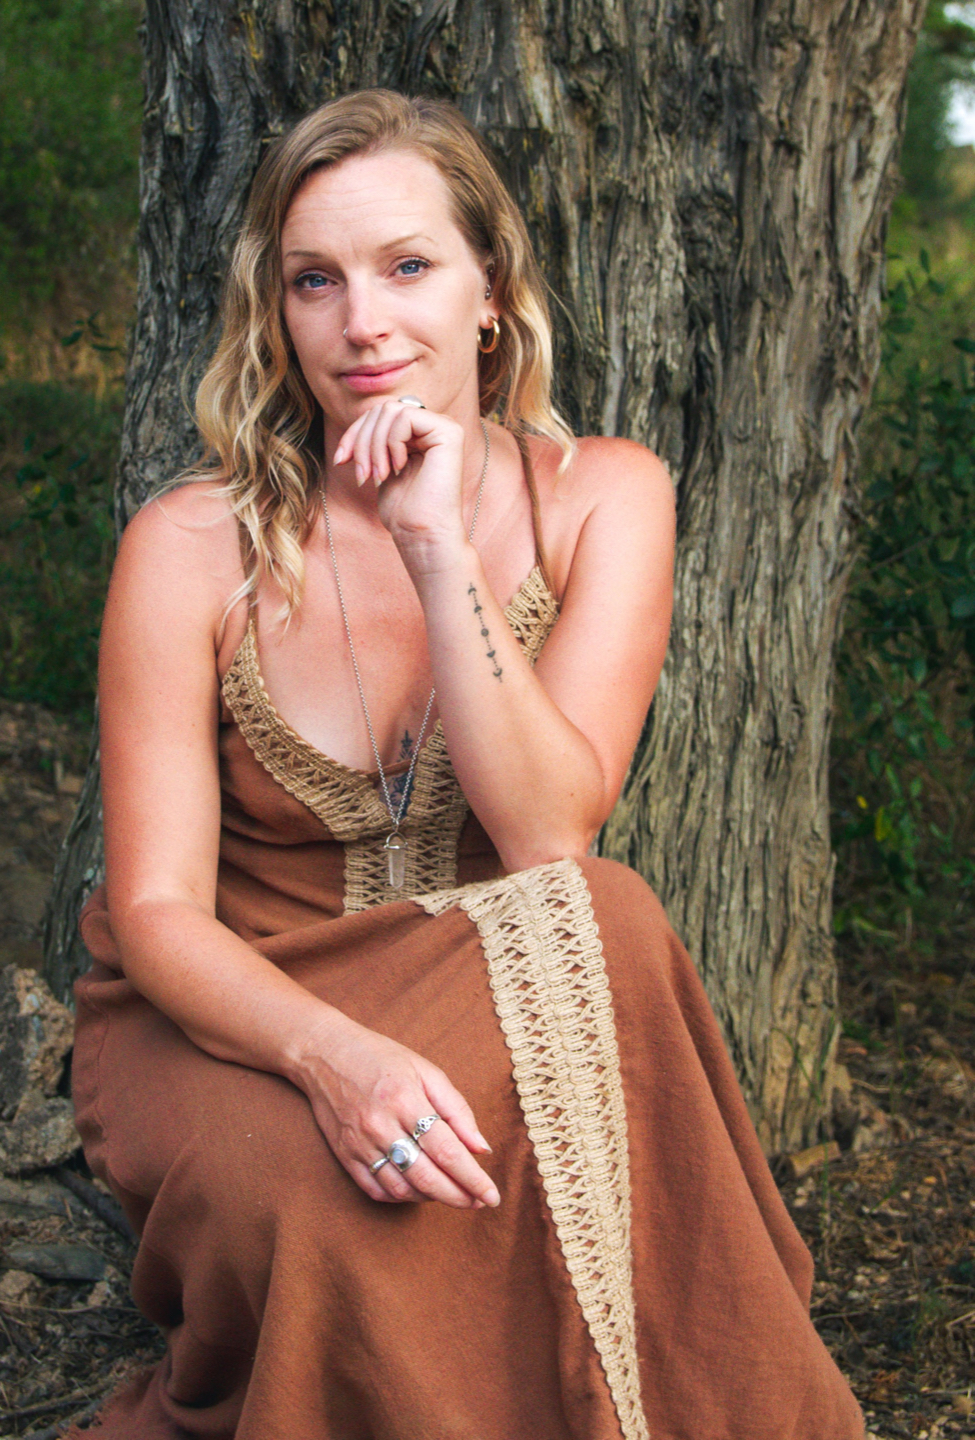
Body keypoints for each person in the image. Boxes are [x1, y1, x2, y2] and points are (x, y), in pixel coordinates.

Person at [70, 89, 864, 1440]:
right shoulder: (191, 546)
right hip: (238, 1010)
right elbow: (154, 914)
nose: (362, 323)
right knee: (323, 1211)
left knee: (606, 913)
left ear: (490, 290)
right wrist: (333, 1058)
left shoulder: (603, 498)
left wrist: (435, 543)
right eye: (315, 281)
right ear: (277, 310)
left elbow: (551, 835)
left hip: (489, 1000)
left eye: (408, 267)